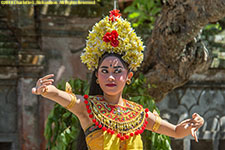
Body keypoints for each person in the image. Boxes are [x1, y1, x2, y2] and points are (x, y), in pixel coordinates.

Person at [32, 9, 204, 150]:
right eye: (104, 71)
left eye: (117, 71)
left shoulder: (139, 114)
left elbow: (175, 131)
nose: (111, 77)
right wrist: (46, 90)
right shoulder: (87, 108)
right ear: (97, 78)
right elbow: (62, 96)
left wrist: (193, 124)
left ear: (128, 77)